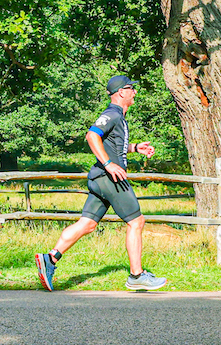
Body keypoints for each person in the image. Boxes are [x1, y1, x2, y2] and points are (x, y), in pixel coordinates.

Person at [35, 75, 166, 292]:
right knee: (136, 222)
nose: (134, 92)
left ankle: (50, 258)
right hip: (110, 178)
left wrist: (134, 148)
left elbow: (111, 143)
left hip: (100, 178)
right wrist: (108, 164)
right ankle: (136, 276)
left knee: (88, 224)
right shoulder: (112, 114)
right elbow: (92, 135)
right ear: (121, 93)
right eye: (131, 89)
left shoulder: (119, 118)